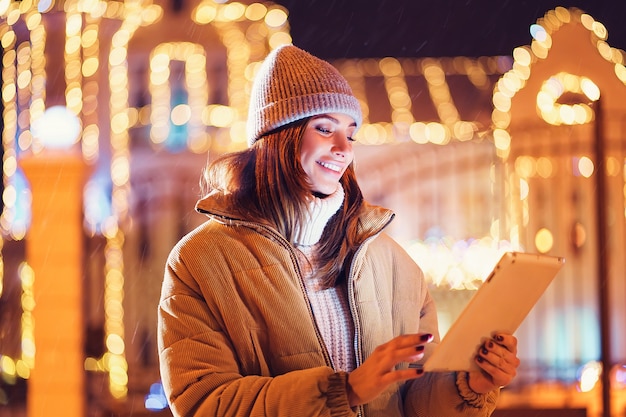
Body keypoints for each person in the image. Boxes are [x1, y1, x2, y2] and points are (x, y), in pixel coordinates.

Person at [157, 44, 520, 417]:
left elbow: (414, 401)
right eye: (325, 128)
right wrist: (343, 392)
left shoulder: (393, 263)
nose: (344, 148)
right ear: (278, 137)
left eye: (351, 133)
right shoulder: (201, 260)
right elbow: (203, 403)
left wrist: (469, 385)